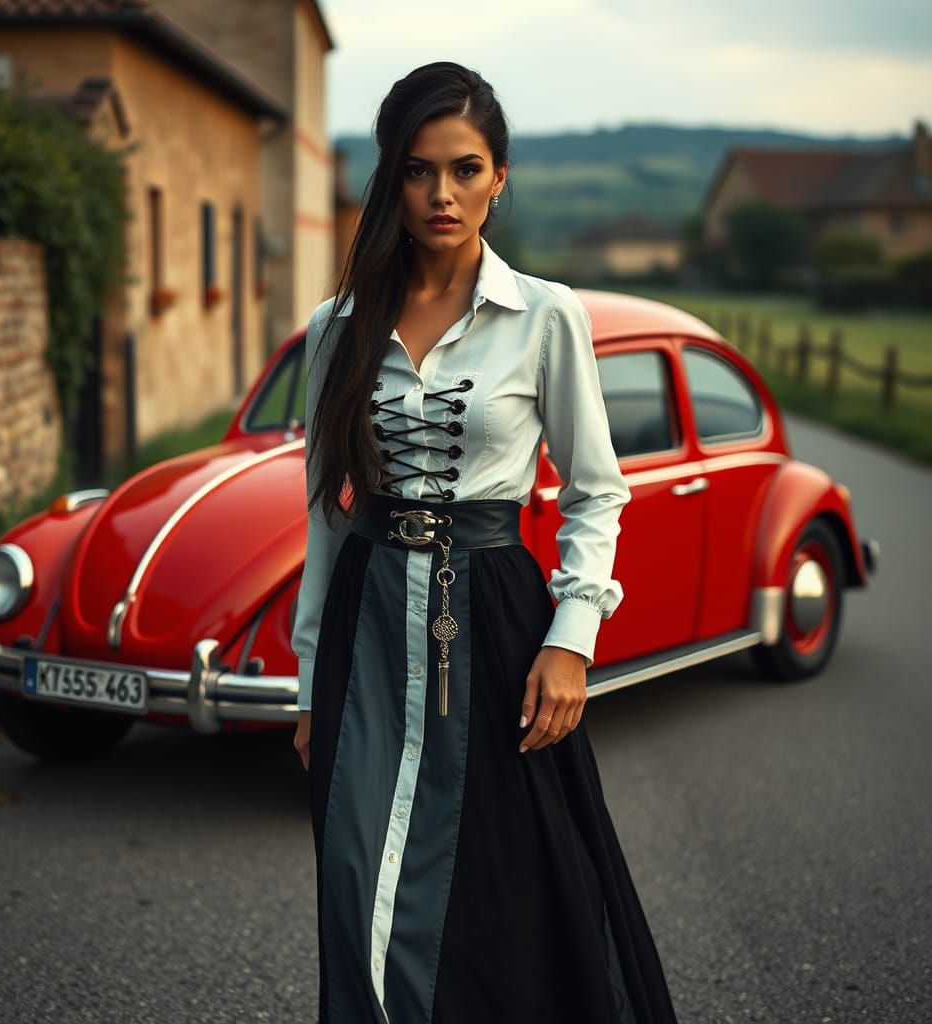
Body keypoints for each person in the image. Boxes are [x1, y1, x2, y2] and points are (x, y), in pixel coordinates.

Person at [291, 61, 679, 1024]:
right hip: (366, 623)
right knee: (355, 877)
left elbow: (595, 491)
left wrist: (571, 641)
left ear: (499, 176)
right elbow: (325, 514)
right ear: (391, 176)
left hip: (499, 620)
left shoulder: (546, 315)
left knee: (503, 890)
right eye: (418, 170)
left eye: (465, 170)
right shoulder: (336, 327)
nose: (442, 194)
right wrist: (309, 688)